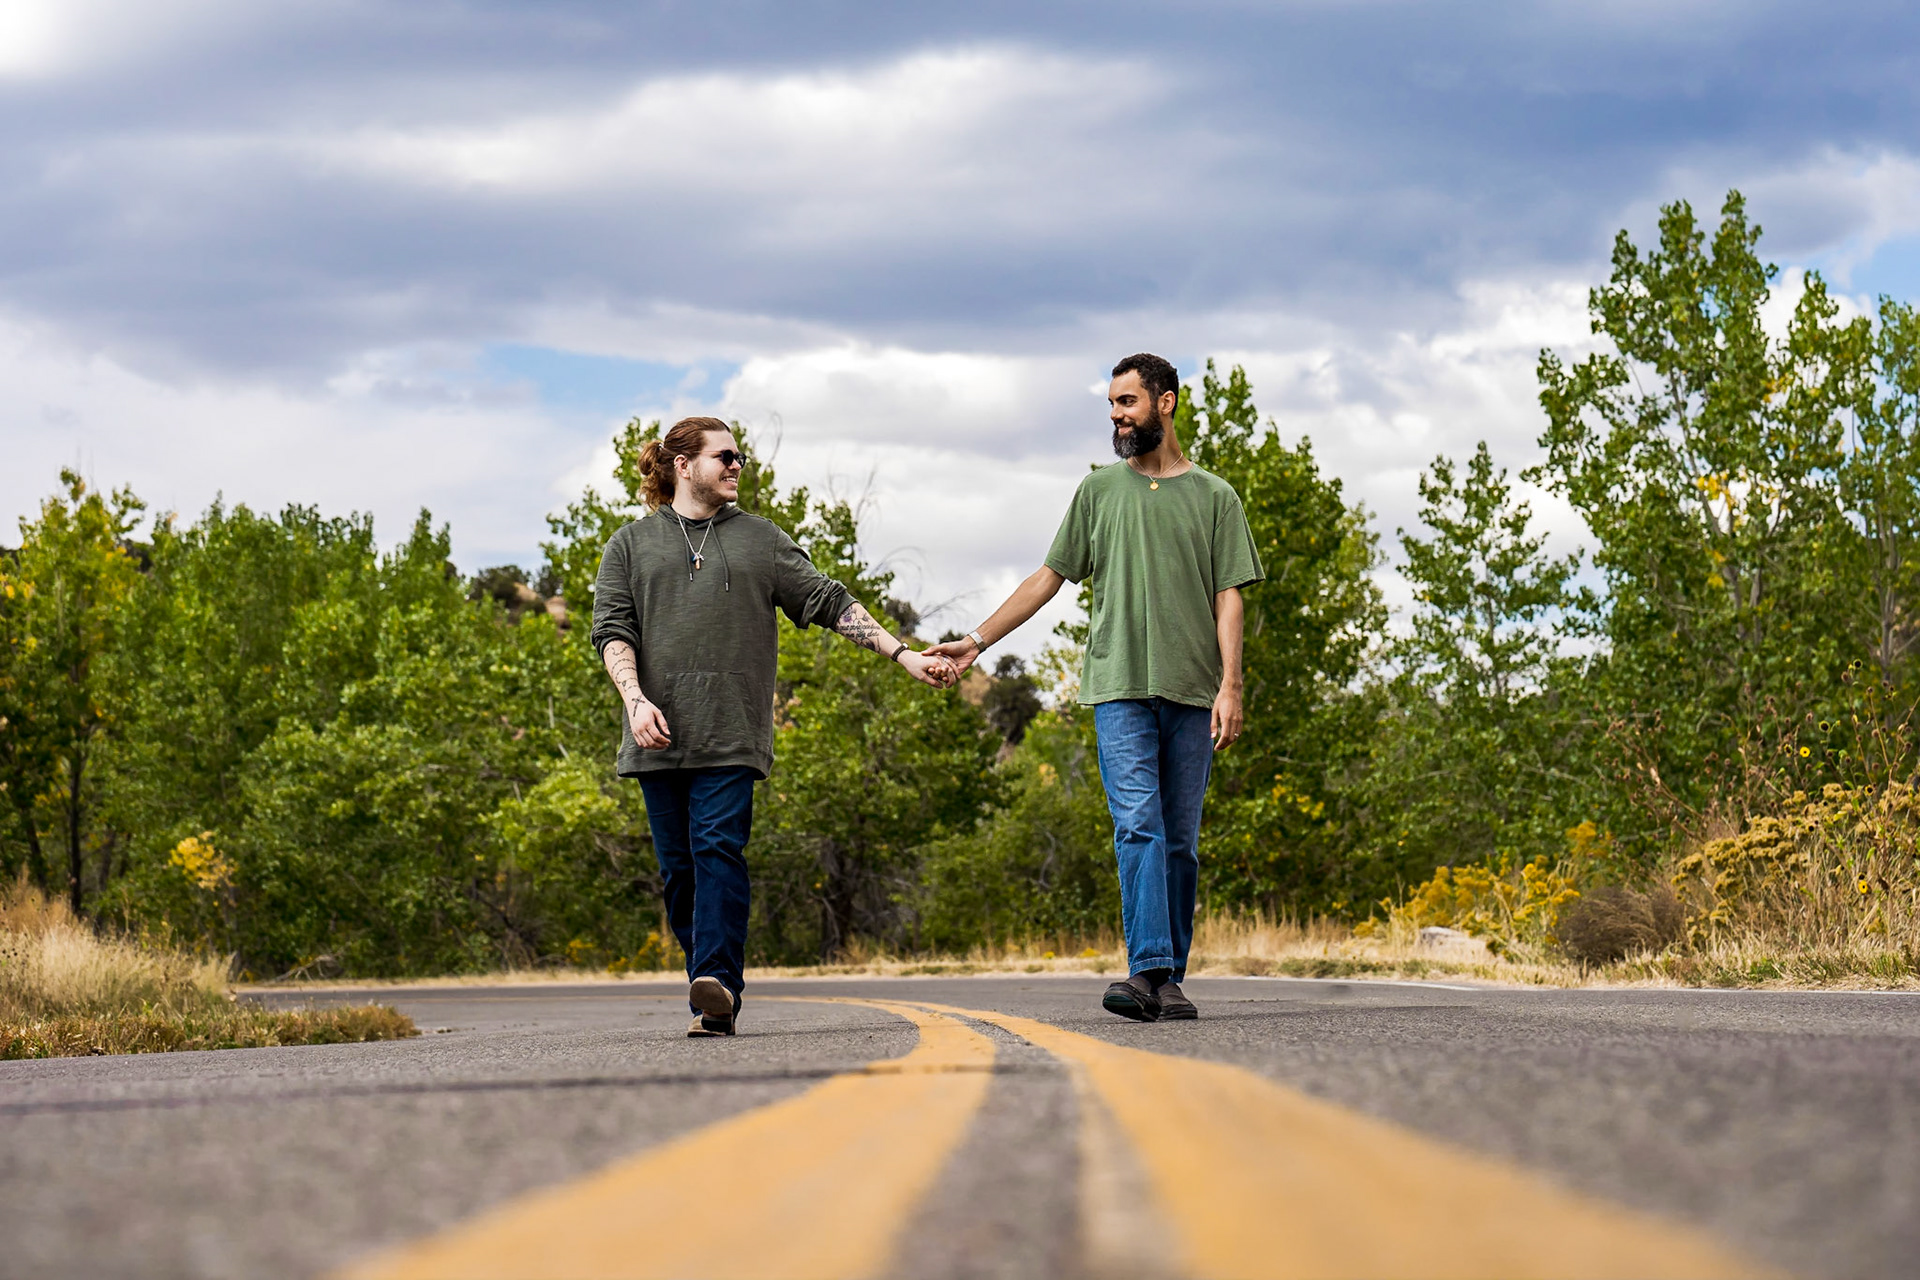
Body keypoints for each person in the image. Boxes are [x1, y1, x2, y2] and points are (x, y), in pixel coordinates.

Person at [591, 416, 957, 1037]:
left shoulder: (760, 539)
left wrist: (904, 654)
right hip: (656, 736)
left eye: (740, 458)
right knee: (678, 873)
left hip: (732, 732)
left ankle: (717, 983)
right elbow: (612, 632)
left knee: (717, 850)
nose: (737, 466)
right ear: (682, 464)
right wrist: (634, 700)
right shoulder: (629, 545)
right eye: (724, 457)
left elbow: (830, 600)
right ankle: (711, 988)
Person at [929, 354, 1263, 1022]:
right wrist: (976, 640)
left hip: (1193, 692)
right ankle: (1145, 972)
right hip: (1116, 687)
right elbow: (1047, 578)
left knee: (1179, 840)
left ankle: (1168, 978)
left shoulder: (1216, 497)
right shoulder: (1097, 492)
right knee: (1137, 824)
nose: (1116, 416)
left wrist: (1232, 686)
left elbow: (1230, 598)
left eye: (1128, 403)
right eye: (1112, 405)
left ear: (1165, 403)